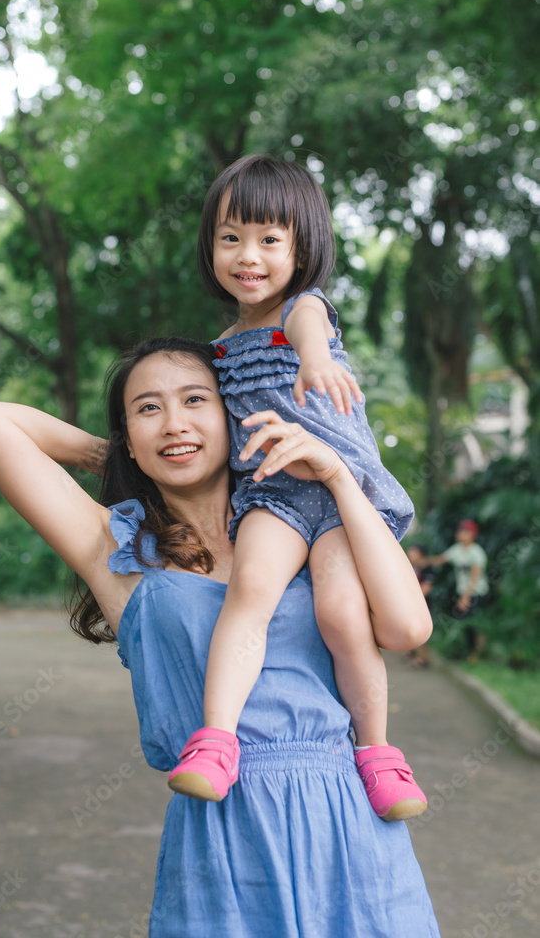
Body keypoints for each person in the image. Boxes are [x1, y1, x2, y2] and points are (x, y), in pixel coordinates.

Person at [0, 337, 440, 937]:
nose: (175, 423)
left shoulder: (309, 535)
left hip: (352, 827)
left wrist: (339, 476)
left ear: (231, 415)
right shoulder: (117, 546)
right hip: (224, 833)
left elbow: (408, 626)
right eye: (148, 408)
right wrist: (120, 458)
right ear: (127, 433)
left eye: (194, 401)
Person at [169, 155, 428, 821]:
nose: (247, 255)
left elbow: (309, 328)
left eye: (268, 240)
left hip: (343, 498)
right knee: (250, 591)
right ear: (210, 247)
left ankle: (376, 753)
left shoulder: (302, 308)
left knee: (342, 614)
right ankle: (216, 741)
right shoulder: (221, 348)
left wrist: (312, 358)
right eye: (230, 238)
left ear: (301, 246)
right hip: (275, 495)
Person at [423, 520, 489, 663]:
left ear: (473, 535)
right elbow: (441, 559)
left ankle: (476, 653)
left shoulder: (476, 552)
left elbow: (475, 576)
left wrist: (466, 597)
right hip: (463, 593)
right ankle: (472, 652)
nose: (461, 534)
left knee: (471, 623)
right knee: (466, 622)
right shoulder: (457, 549)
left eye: (465, 531)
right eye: (460, 531)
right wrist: (423, 561)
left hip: (476, 593)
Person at [406, 544, 434, 669]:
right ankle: (413, 652)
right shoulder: (415, 567)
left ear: (420, 553)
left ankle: (422, 659)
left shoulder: (427, 568)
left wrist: (416, 601)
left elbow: (427, 587)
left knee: (422, 630)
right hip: (414, 603)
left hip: (423, 604)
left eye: (413, 552)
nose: (410, 554)